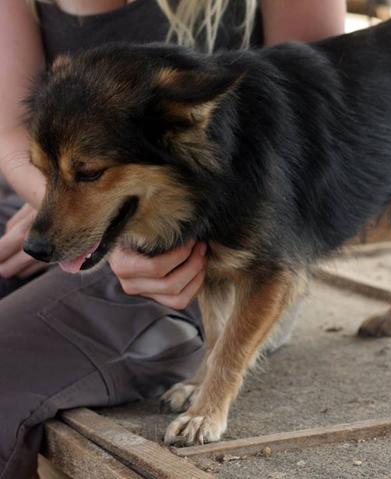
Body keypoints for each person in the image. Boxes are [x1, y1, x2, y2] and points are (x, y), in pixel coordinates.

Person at [0, 1, 346, 477]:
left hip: (210, 249)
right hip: (40, 195)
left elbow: (321, 118)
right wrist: (52, 198)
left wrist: (113, 224)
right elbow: (10, 129)